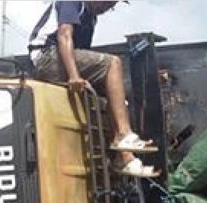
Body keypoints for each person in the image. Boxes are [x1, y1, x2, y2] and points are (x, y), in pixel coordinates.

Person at [32, 1, 159, 178]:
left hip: (63, 59)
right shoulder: (72, 2)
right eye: (107, 2)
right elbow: (64, 36)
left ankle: (124, 158)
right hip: (46, 57)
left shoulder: (91, 18)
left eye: (111, 6)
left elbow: (82, 53)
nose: (106, 8)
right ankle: (123, 134)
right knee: (112, 63)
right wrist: (74, 76)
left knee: (118, 100)